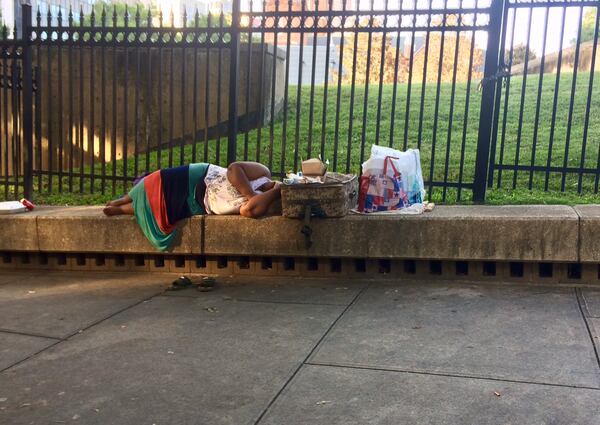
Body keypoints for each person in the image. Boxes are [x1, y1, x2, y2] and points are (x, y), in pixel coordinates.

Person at [103, 162, 281, 251]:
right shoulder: (264, 173)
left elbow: (247, 210)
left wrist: (272, 194)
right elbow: (234, 169)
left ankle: (120, 209)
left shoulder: (262, 205)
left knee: (161, 208)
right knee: (159, 181)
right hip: (198, 177)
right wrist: (250, 195)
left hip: (200, 204)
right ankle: (123, 200)